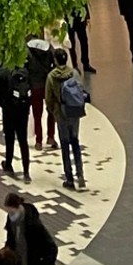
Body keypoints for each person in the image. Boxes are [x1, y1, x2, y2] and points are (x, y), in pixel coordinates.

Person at [46, 54, 88, 189]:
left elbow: (48, 98)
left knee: (65, 145)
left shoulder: (52, 76)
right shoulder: (74, 73)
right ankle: (80, 174)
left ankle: (69, 179)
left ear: (56, 60)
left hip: (61, 114)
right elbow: (80, 91)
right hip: (74, 112)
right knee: (75, 142)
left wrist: (54, 111)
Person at [0, 58, 31, 178]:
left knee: (9, 138)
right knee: (23, 139)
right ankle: (26, 171)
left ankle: (8, 165)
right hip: (23, 110)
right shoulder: (25, 71)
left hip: (9, 109)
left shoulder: (3, 71)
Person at [2, 192, 57, 265]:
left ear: (18, 207)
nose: (10, 215)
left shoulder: (33, 223)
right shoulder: (11, 222)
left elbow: (51, 247)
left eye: (12, 212)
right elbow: (10, 241)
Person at [65, 6, 93, 75]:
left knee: (84, 40)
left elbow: (83, 1)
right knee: (72, 42)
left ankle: (86, 63)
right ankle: (74, 64)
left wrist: (87, 16)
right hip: (69, 16)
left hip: (79, 16)